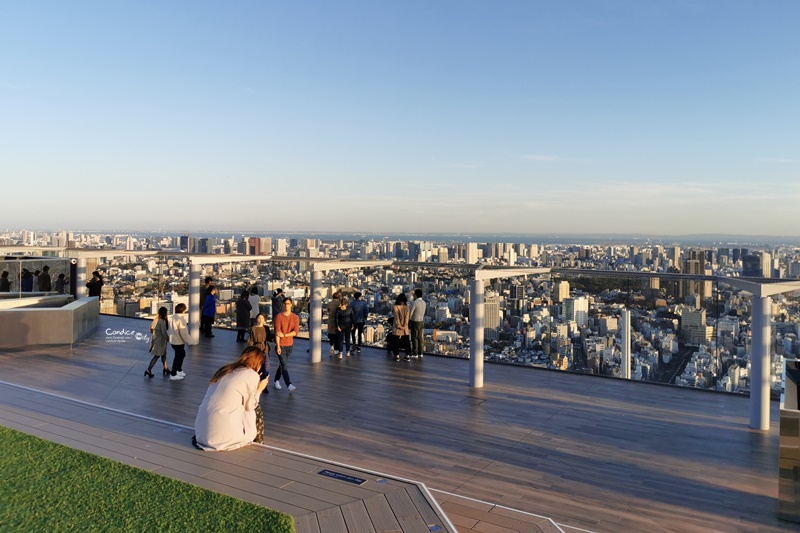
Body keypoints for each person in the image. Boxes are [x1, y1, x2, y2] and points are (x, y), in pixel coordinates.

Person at [193, 346, 268, 451]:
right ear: (259, 363)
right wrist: (259, 389)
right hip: (224, 437)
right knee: (256, 408)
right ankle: (259, 443)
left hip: (202, 433)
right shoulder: (251, 374)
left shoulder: (225, 370)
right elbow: (250, 406)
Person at [273, 297, 299, 392]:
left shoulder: (295, 318)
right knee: (284, 365)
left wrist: (284, 334)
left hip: (290, 345)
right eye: (285, 303)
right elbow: (277, 333)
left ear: (291, 304)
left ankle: (276, 380)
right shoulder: (279, 317)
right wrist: (278, 346)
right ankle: (289, 384)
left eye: (288, 303)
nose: (286, 305)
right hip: (281, 345)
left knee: (282, 364)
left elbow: (296, 332)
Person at [247, 313, 271, 395]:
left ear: (264, 320)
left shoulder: (266, 328)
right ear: (257, 319)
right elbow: (250, 340)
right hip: (256, 349)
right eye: (259, 318)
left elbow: (269, 338)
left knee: (266, 368)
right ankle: (256, 385)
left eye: (262, 318)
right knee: (257, 368)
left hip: (265, 349)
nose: (260, 320)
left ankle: (265, 386)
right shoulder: (253, 328)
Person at [168, 303, 193, 381]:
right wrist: (190, 341)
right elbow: (183, 333)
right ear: (183, 310)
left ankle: (178, 370)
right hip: (179, 341)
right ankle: (173, 373)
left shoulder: (171, 318)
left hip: (173, 340)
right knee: (179, 356)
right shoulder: (181, 319)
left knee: (180, 355)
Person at [144, 307, 170, 377]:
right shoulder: (162, 321)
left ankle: (166, 368)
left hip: (155, 339)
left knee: (163, 355)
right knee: (157, 356)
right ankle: (148, 370)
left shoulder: (155, 320)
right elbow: (164, 332)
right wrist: (168, 339)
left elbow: (150, 329)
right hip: (161, 341)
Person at [390, 293, 411, 361]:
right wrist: (405, 325)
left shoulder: (396, 307)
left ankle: (397, 355)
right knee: (406, 341)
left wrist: (399, 326)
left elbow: (396, 317)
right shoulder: (407, 307)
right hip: (405, 328)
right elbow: (407, 317)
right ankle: (407, 354)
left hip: (397, 327)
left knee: (396, 341)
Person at [409, 288, 426, 358]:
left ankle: (415, 352)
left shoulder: (415, 302)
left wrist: (408, 320)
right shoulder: (424, 302)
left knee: (414, 337)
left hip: (415, 321)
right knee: (420, 337)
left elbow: (411, 312)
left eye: (414, 295)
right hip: (421, 321)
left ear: (416, 295)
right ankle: (420, 352)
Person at [326, 291, 341, 356]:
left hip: (330, 320)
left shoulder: (329, 303)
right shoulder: (339, 303)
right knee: (337, 336)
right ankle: (336, 349)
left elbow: (328, 311)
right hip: (338, 320)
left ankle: (331, 345)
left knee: (331, 335)